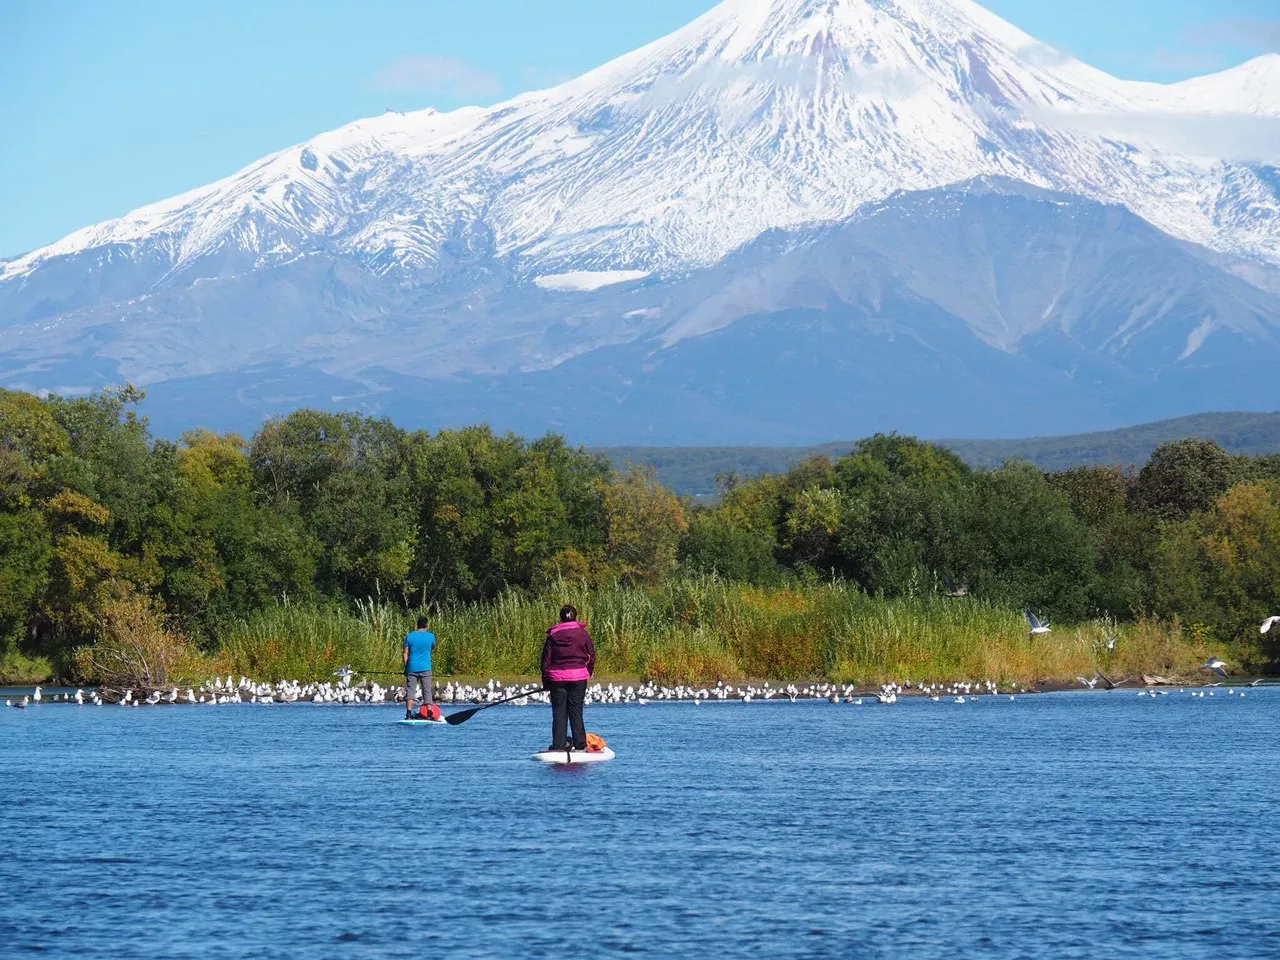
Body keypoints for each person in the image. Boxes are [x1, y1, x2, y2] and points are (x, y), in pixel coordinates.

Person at [541, 604, 595, 751]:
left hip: (557, 679)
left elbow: (546, 661)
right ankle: (580, 745)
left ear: (560, 618)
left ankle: (558, 746)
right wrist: (588, 672)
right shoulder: (583, 634)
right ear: (575, 617)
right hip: (578, 677)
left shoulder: (553, 635)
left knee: (559, 712)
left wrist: (546, 681)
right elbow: (591, 655)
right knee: (576, 711)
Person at [403, 615, 438, 720]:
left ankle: (408, 714)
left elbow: (405, 654)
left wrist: (406, 667)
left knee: (411, 691)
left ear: (417, 625)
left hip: (412, 668)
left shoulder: (410, 636)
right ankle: (430, 713)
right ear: (426, 625)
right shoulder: (431, 636)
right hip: (426, 668)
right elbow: (433, 647)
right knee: (427, 691)